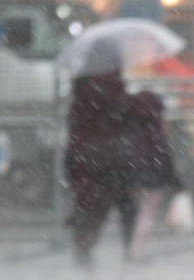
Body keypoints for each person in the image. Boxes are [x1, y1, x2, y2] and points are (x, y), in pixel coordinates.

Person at [64, 42, 137, 266]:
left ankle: (83, 244)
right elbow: (121, 116)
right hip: (107, 155)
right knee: (122, 203)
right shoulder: (112, 86)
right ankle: (129, 250)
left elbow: (75, 120)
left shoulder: (81, 85)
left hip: (81, 152)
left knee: (88, 202)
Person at [124, 91, 183, 261]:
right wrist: (175, 181)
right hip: (152, 180)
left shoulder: (130, 128)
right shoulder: (155, 131)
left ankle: (131, 249)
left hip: (134, 179)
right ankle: (136, 252)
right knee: (147, 215)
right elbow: (165, 157)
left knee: (136, 214)